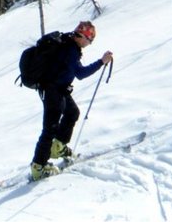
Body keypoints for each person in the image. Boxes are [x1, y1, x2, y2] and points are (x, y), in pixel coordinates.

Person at [30, 20, 113, 181]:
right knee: (50, 128)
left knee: (72, 112)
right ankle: (38, 167)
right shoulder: (70, 49)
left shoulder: (68, 43)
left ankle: (58, 147)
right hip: (52, 91)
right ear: (83, 36)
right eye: (90, 40)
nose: (89, 44)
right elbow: (81, 73)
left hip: (59, 89)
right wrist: (101, 61)